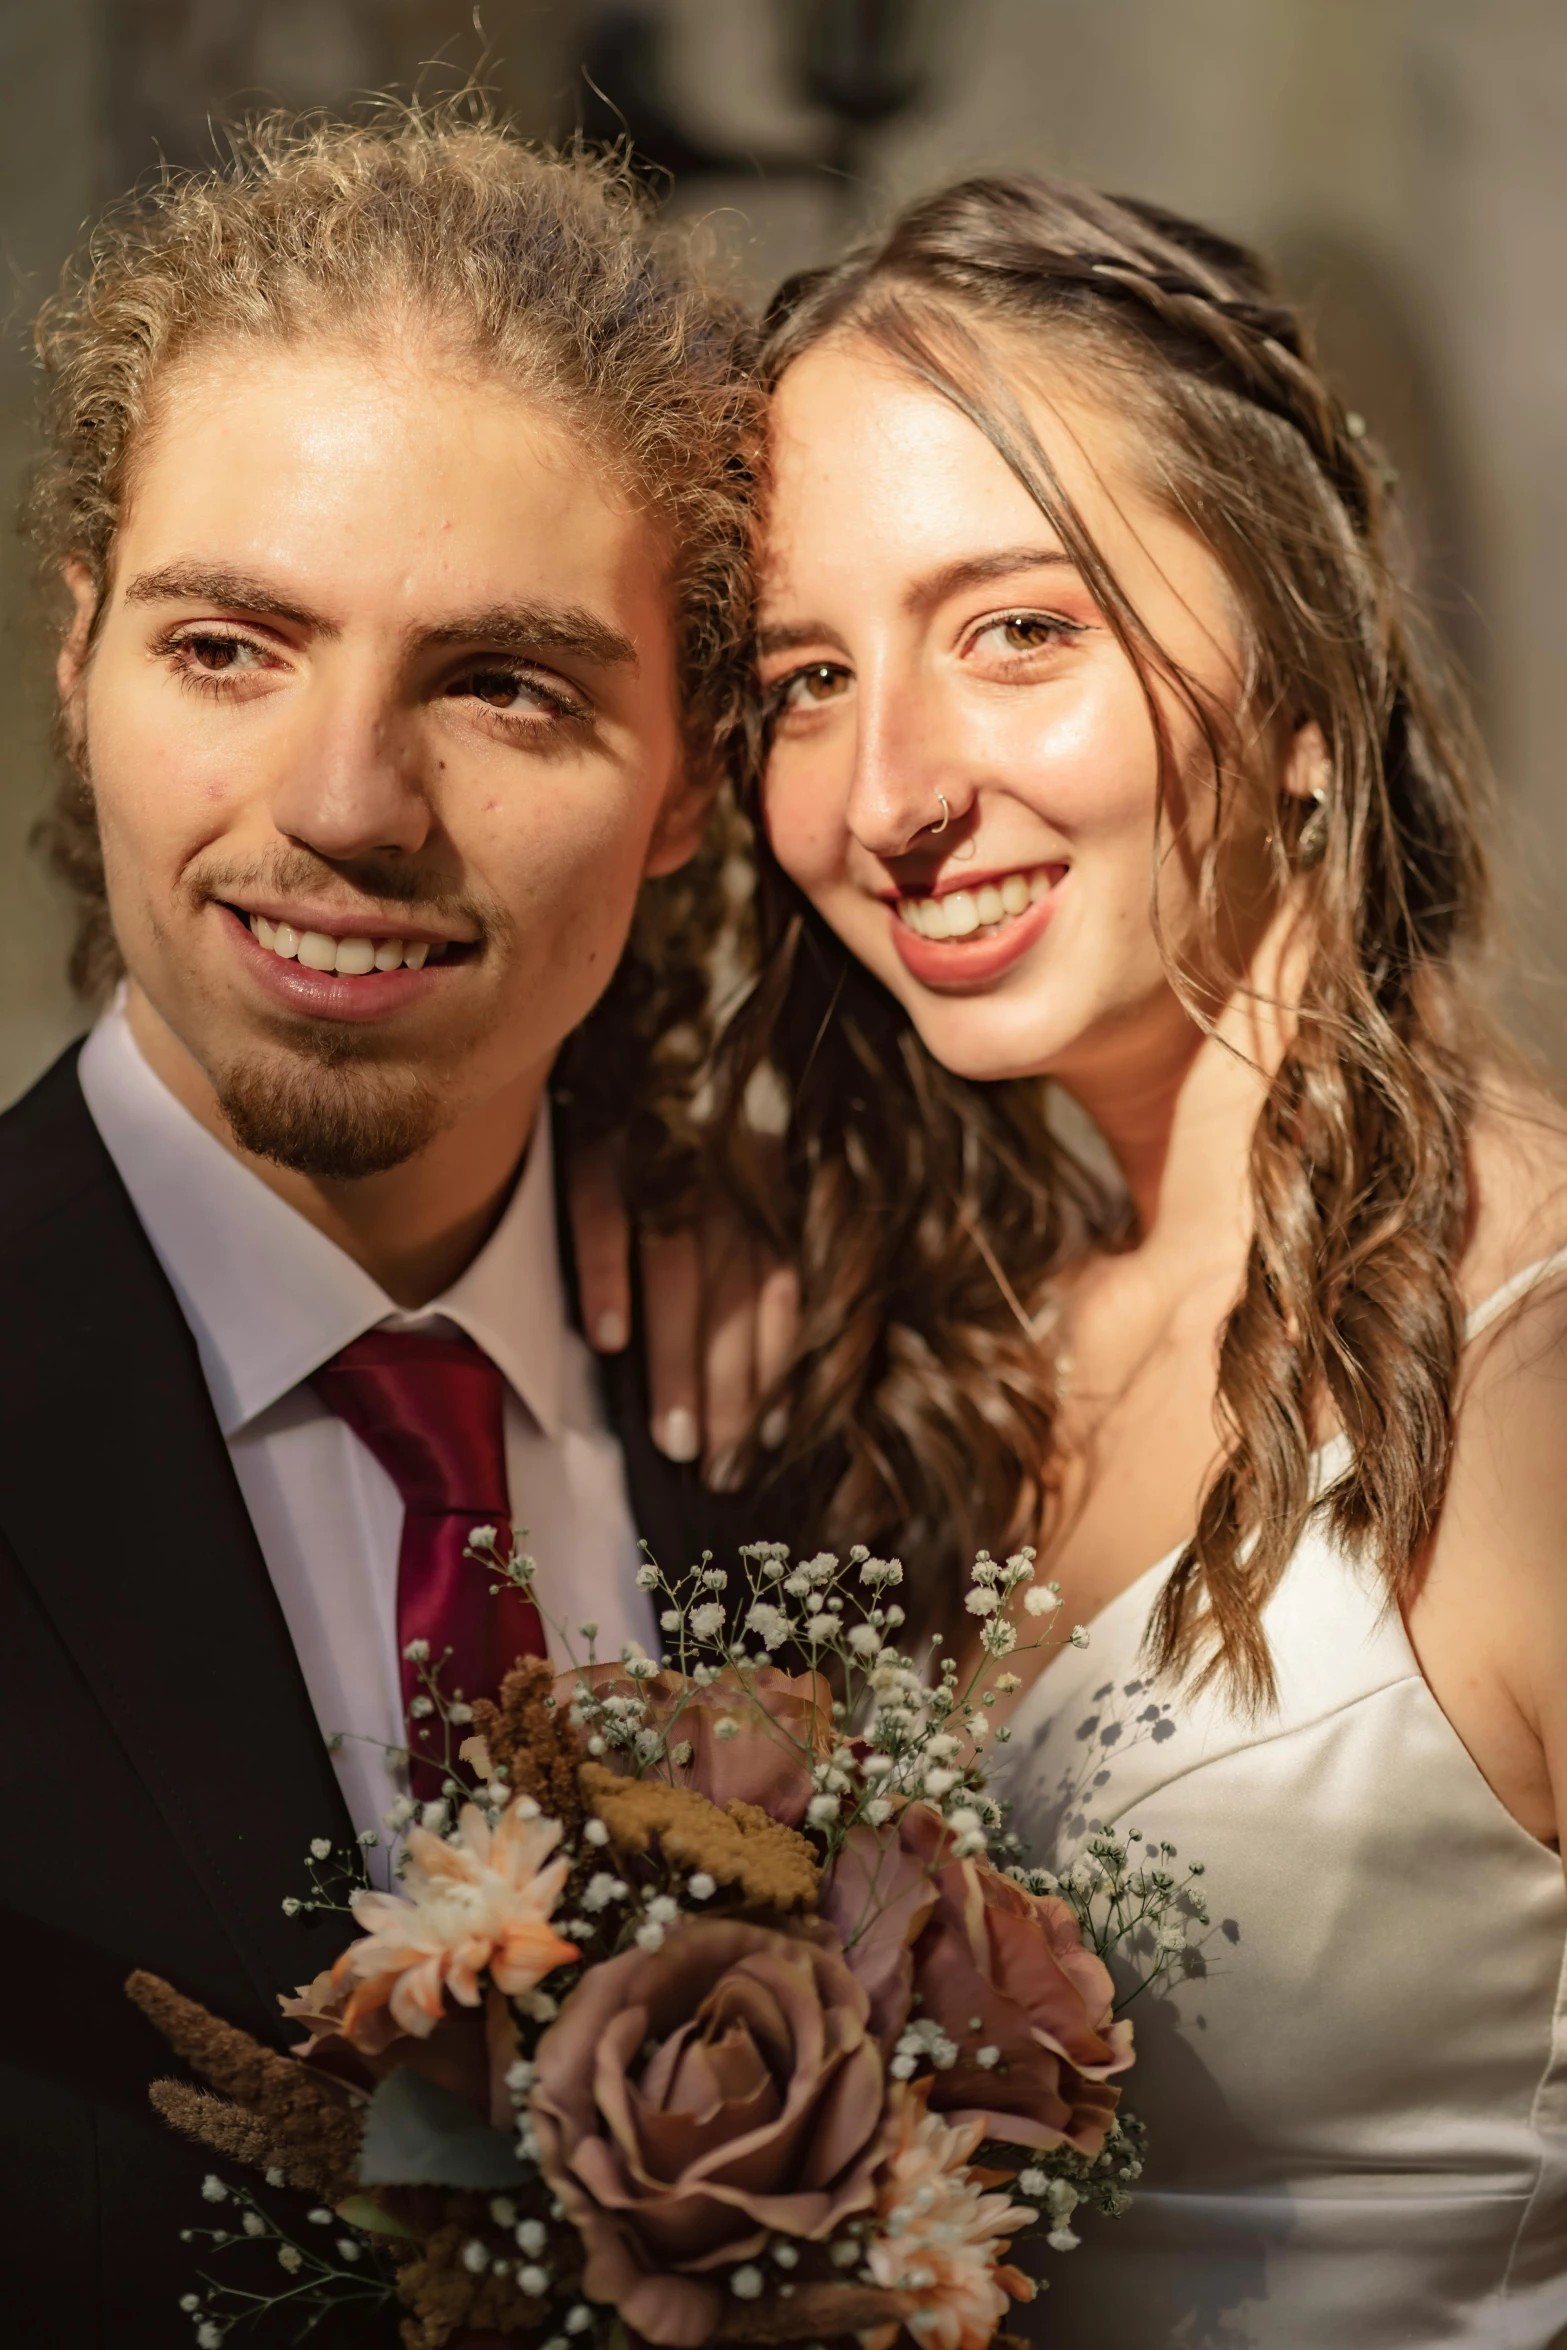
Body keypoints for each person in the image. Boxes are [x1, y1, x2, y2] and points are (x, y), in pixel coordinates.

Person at [582, 176, 1567, 2345]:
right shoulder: (907, 1331)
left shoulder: (1541, 1375)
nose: (890, 792)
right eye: (808, 681)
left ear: (1309, 671)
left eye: (1020, 627)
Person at [0, 104, 768, 2343]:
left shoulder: (844, 1392)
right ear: (78, 659)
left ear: (697, 775)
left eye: (500, 680)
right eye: (228, 645)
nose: (341, 804)